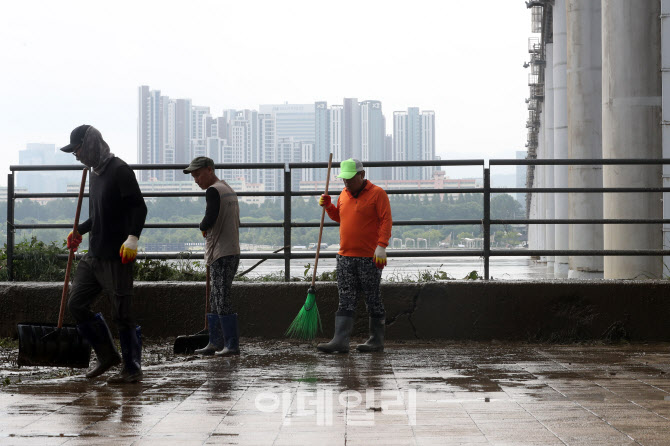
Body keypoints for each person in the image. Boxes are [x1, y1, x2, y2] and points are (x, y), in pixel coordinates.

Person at [61, 125, 147, 383]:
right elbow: (98, 214)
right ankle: (108, 355)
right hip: (94, 254)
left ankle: (132, 367)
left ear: (89, 146)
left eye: (77, 150)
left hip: (117, 255)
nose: (76, 156)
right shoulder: (94, 173)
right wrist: (80, 230)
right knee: (76, 304)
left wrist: (133, 237)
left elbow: (138, 207)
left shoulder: (119, 170)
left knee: (122, 312)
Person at [316, 158, 392, 353]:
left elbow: (386, 221)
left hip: (369, 256)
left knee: (372, 296)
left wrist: (381, 245)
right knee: (345, 297)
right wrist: (328, 207)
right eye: (344, 179)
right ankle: (340, 340)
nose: (346, 182)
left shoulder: (378, 194)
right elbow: (339, 218)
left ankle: (376, 340)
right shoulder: (343, 194)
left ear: (362, 175)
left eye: (350, 178)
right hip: (345, 256)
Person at [184, 157, 241, 356]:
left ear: (210, 170)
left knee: (222, 298)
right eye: (193, 176)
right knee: (216, 298)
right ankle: (215, 343)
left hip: (221, 252)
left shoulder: (213, 191)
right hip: (230, 250)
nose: (196, 180)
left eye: (198, 175)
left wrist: (201, 226)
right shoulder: (228, 189)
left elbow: (209, 219)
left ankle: (231, 345)